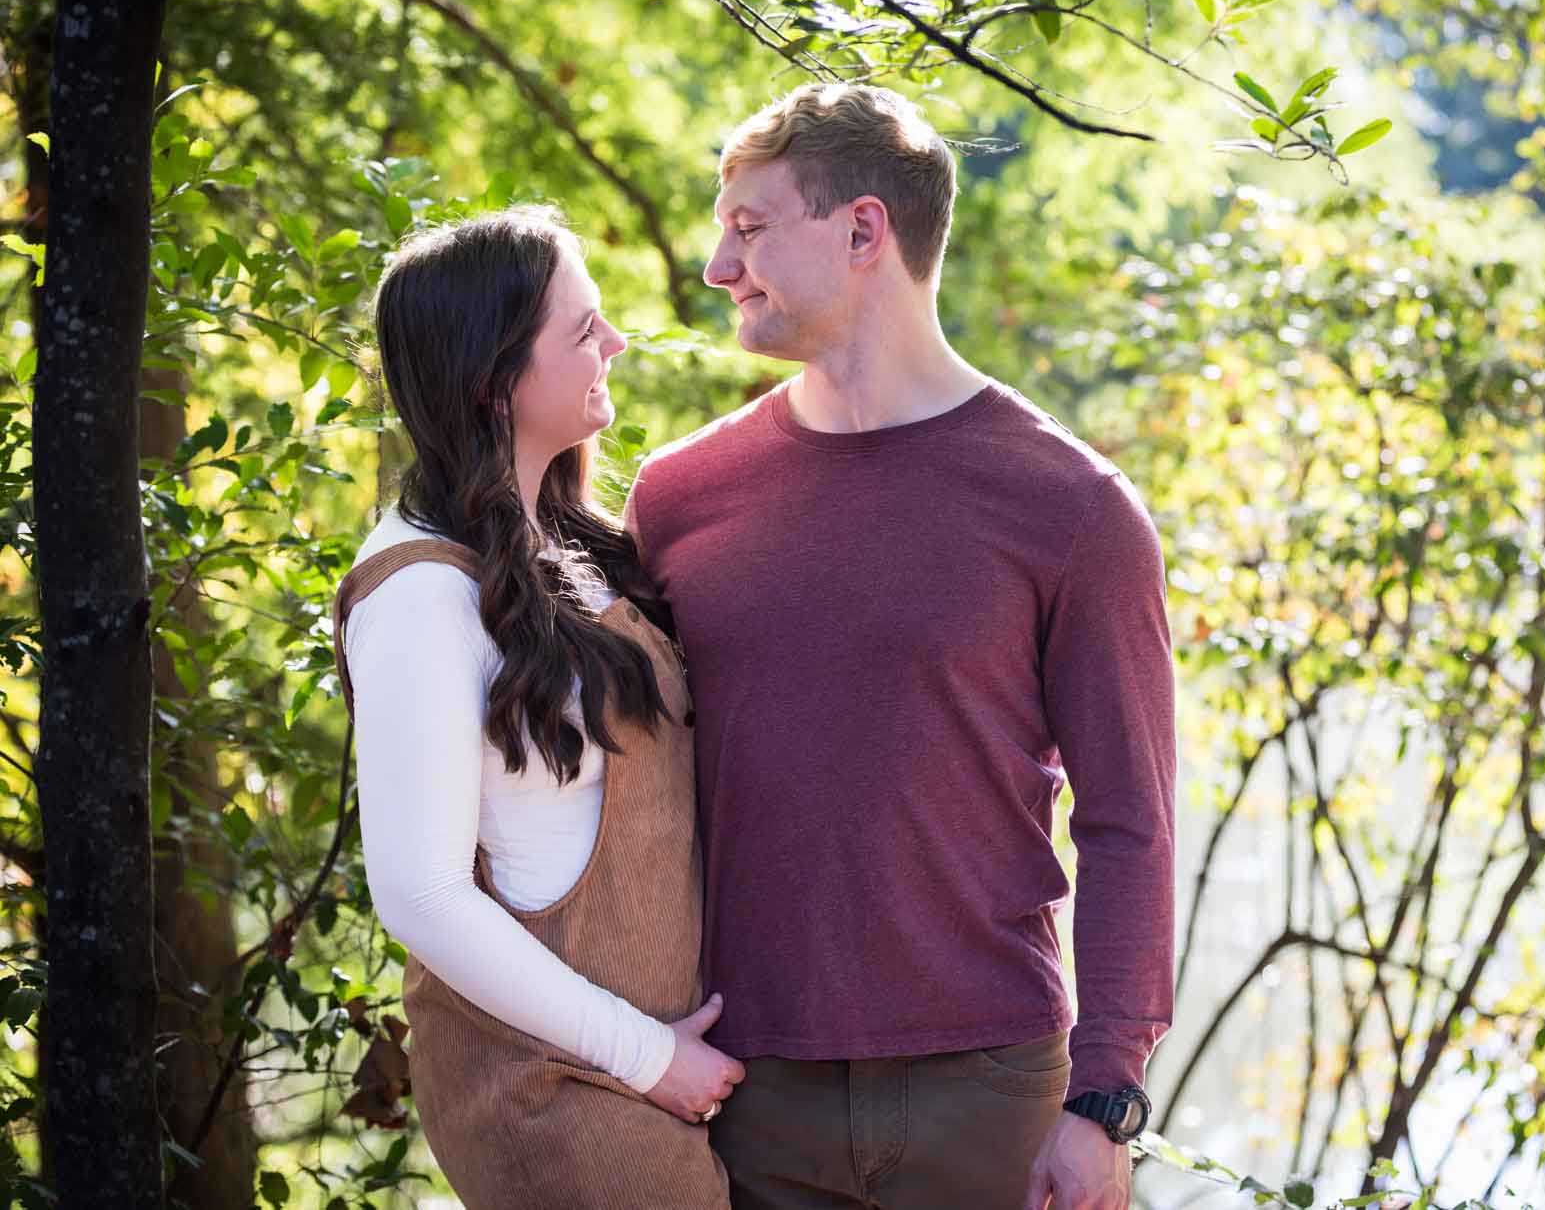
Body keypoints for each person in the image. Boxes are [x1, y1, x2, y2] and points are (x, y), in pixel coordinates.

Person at [625, 84, 1177, 1210]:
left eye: (748, 227)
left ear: (863, 229)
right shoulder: (677, 497)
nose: (717, 268)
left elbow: (1128, 816)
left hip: (989, 1091)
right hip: (738, 1089)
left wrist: (1103, 1096)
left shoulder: (1071, 506)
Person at [334, 206, 739, 1208]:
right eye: (582, 329)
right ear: (492, 379)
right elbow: (419, 895)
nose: (616, 342)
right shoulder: (418, 592)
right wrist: (647, 1057)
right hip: (558, 1093)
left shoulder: (563, 540)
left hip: (659, 1075)